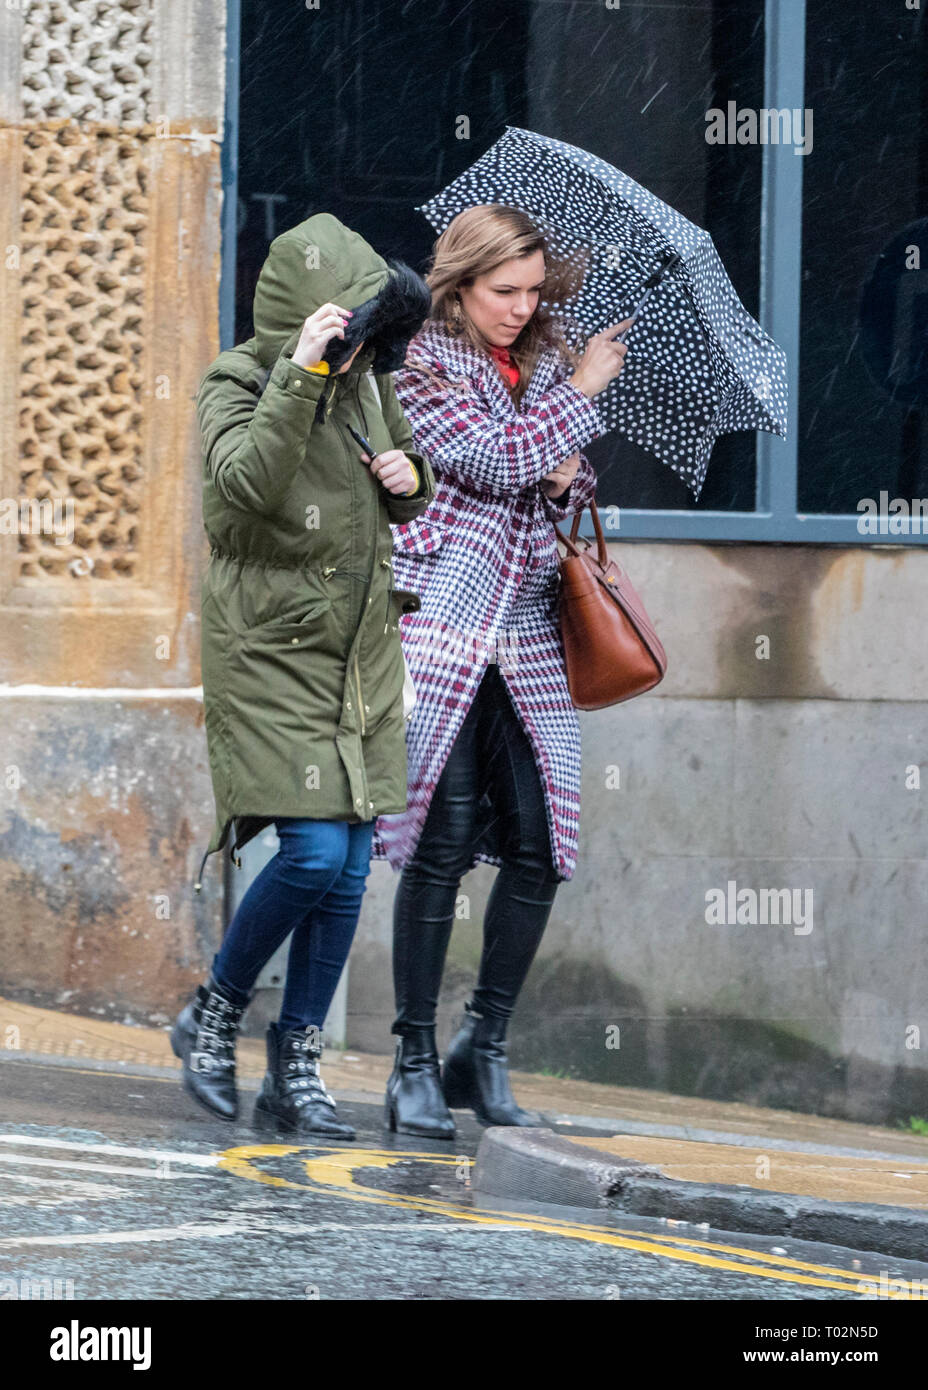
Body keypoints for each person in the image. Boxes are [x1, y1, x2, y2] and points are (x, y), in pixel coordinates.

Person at [372, 203, 631, 1138]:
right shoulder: (420, 366)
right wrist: (582, 396)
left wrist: (573, 474)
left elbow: (556, 478)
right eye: (502, 291)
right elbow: (489, 458)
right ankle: (408, 1061)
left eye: (532, 291)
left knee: (542, 846)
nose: (521, 308)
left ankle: (480, 1050)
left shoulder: (546, 363)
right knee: (436, 849)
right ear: (462, 284)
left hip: (525, 633)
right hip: (444, 629)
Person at [175, 213, 435, 1138]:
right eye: (346, 326)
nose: (361, 346)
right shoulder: (236, 380)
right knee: (316, 852)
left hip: (359, 656)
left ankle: (295, 1066)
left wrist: (413, 477)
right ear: (305, 315)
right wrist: (299, 374)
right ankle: (212, 1012)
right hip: (271, 657)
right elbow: (242, 496)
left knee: (353, 863)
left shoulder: (368, 384)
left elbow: (407, 488)